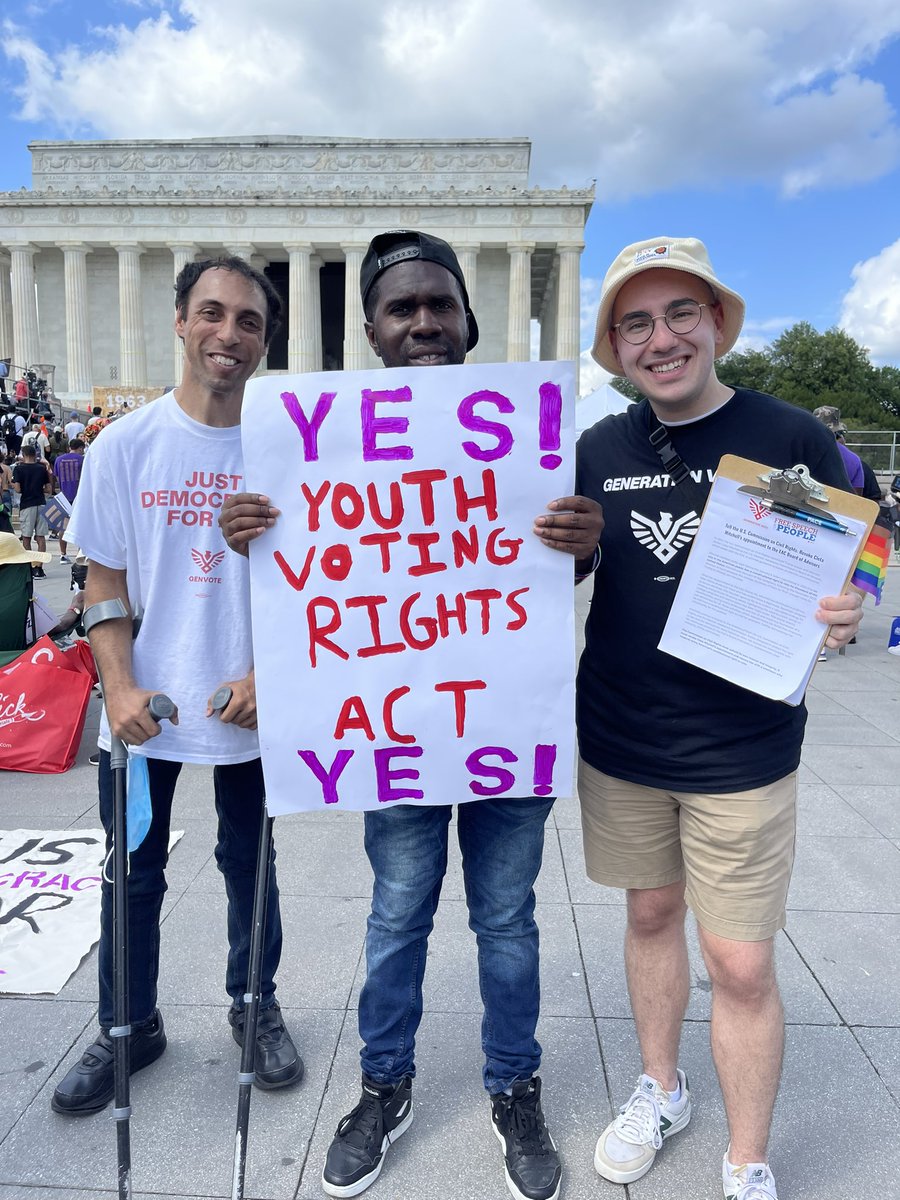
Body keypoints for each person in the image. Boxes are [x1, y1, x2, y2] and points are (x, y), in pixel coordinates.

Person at [219, 229, 602, 1200]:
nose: (425, 320)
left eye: (441, 304)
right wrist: (250, 537)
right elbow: (308, 581)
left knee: (507, 923)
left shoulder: (524, 430)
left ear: (470, 319)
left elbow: (553, 563)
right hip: (396, 739)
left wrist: (583, 542)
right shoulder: (319, 446)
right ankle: (383, 1086)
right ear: (374, 331)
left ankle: (513, 1085)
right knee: (396, 918)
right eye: (404, 308)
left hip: (503, 733)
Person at [575, 237, 862, 1200]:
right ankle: (663, 1087)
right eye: (637, 323)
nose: (662, 339)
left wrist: (852, 601)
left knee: (739, 963)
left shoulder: (786, 439)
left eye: (680, 314)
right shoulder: (598, 449)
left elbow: (865, 541)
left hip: (742, 750)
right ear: (616, 346)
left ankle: (747, 1157)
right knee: (649, 914)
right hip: (622, 739)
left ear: (716, 323)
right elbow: (552, 573)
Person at [51, 256, 304, 1118]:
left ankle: (253, 1005)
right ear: (180, 321)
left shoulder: (290, 448)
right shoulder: (124, 445)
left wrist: (273, 672)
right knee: (132, 873)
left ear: (266, 340)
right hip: (145, 709)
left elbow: (325, 580)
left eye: (248, 322)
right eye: (212, 314)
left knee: (251, 867)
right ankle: (127, 1025)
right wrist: (116, 689)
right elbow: (103, 579)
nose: (228, 335)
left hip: (253, 706)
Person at [12, 443, 51, 576]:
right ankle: (39, 567)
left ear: (23, 455)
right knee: (41, 537)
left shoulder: (18, 469)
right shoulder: (41, 469)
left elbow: (17, 489)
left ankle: (29, 566)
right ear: (35, 455)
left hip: (27, 504)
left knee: (26, 537)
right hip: (41, 502)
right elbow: (48, 489)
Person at [52, 436, 85, 563]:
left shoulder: (59, 460)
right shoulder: (82, 459)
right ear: (80, 448)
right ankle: (80, 553)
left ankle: (63, 554)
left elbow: (54, 477)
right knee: (81, 526)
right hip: (79, 496)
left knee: (63, 528)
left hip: (64, 496)